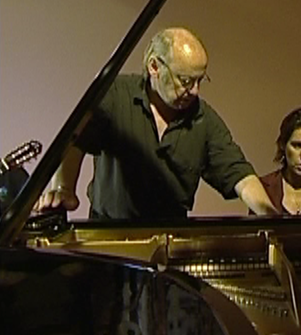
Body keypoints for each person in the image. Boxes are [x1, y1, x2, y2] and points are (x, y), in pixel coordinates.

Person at [34, 27, 278, 219]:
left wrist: (271, 216)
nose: (195, 90)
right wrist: (63, 188)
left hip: (168, 242)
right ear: (154, 66)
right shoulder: (115, 95)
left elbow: (239, 174)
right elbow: (75, 140)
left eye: (200, 80)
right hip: (109, 237)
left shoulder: (204, 119)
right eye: (185, 81)